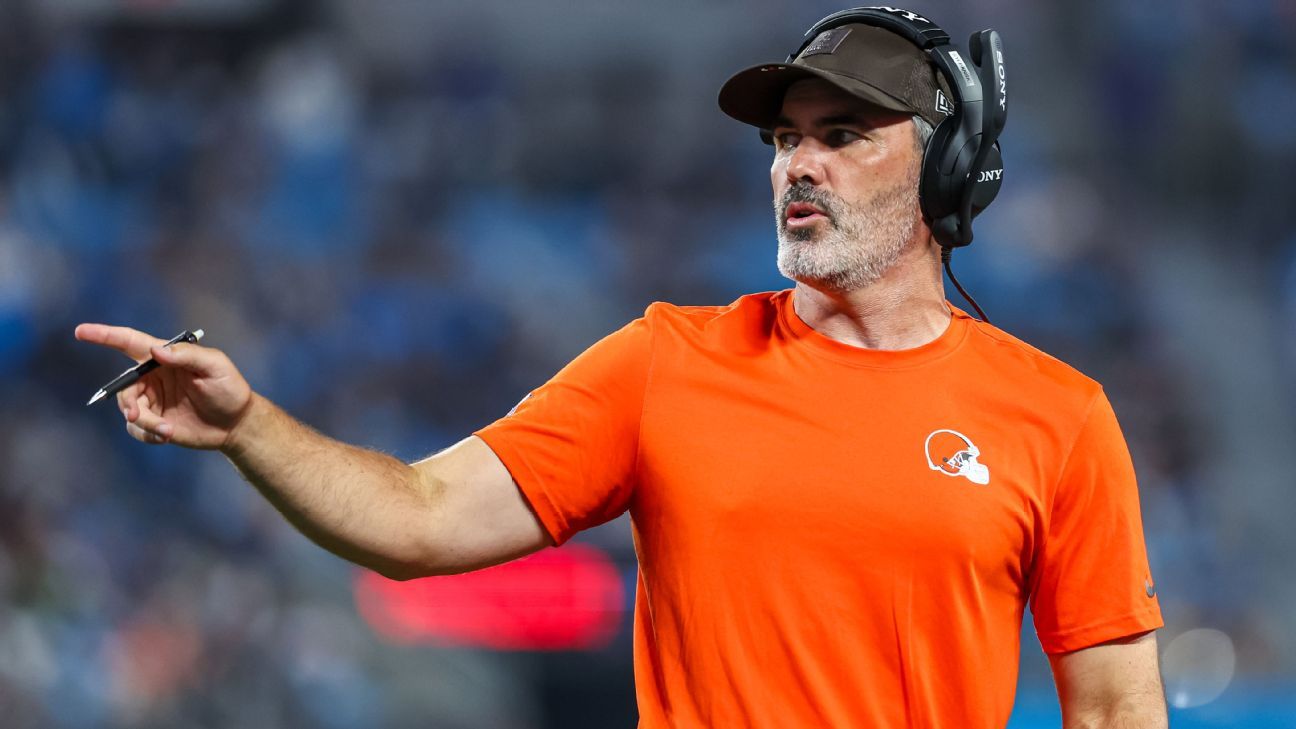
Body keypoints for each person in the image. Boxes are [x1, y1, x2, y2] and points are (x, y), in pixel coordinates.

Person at [76, 7, 1166, 728]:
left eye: (842, 134)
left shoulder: (1057, 417)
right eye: (784, 139)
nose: (799, 164)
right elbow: (418, 519)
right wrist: (249, 426)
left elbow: (1116, 706)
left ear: (949, 168)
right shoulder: (664, 363)